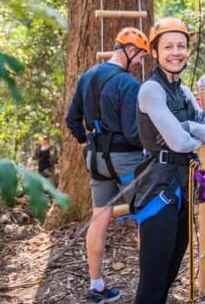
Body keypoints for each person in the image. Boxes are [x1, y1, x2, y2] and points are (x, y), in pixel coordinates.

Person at [131, 17, 205, 304]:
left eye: (181, 46)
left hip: (181, 186)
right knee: (154, 277)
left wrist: (190, 128)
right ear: (155, 52)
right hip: (158, 188)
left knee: (169, 272)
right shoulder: (151, 90)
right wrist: (192, 133)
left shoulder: (181, 91)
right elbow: (179, 143)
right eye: (168, 46)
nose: (176, 52)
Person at [65, 27, 150, 303]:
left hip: (95, 159)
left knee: (99, 219)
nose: (139, 63)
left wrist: (87, 141)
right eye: (139, 57)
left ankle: (97, 285)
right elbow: (133, 133)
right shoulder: (128, 85)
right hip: (125, 160)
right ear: (129, 50)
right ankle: (150, 286)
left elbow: (72, 119)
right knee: (146, 217)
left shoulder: (88, 76)